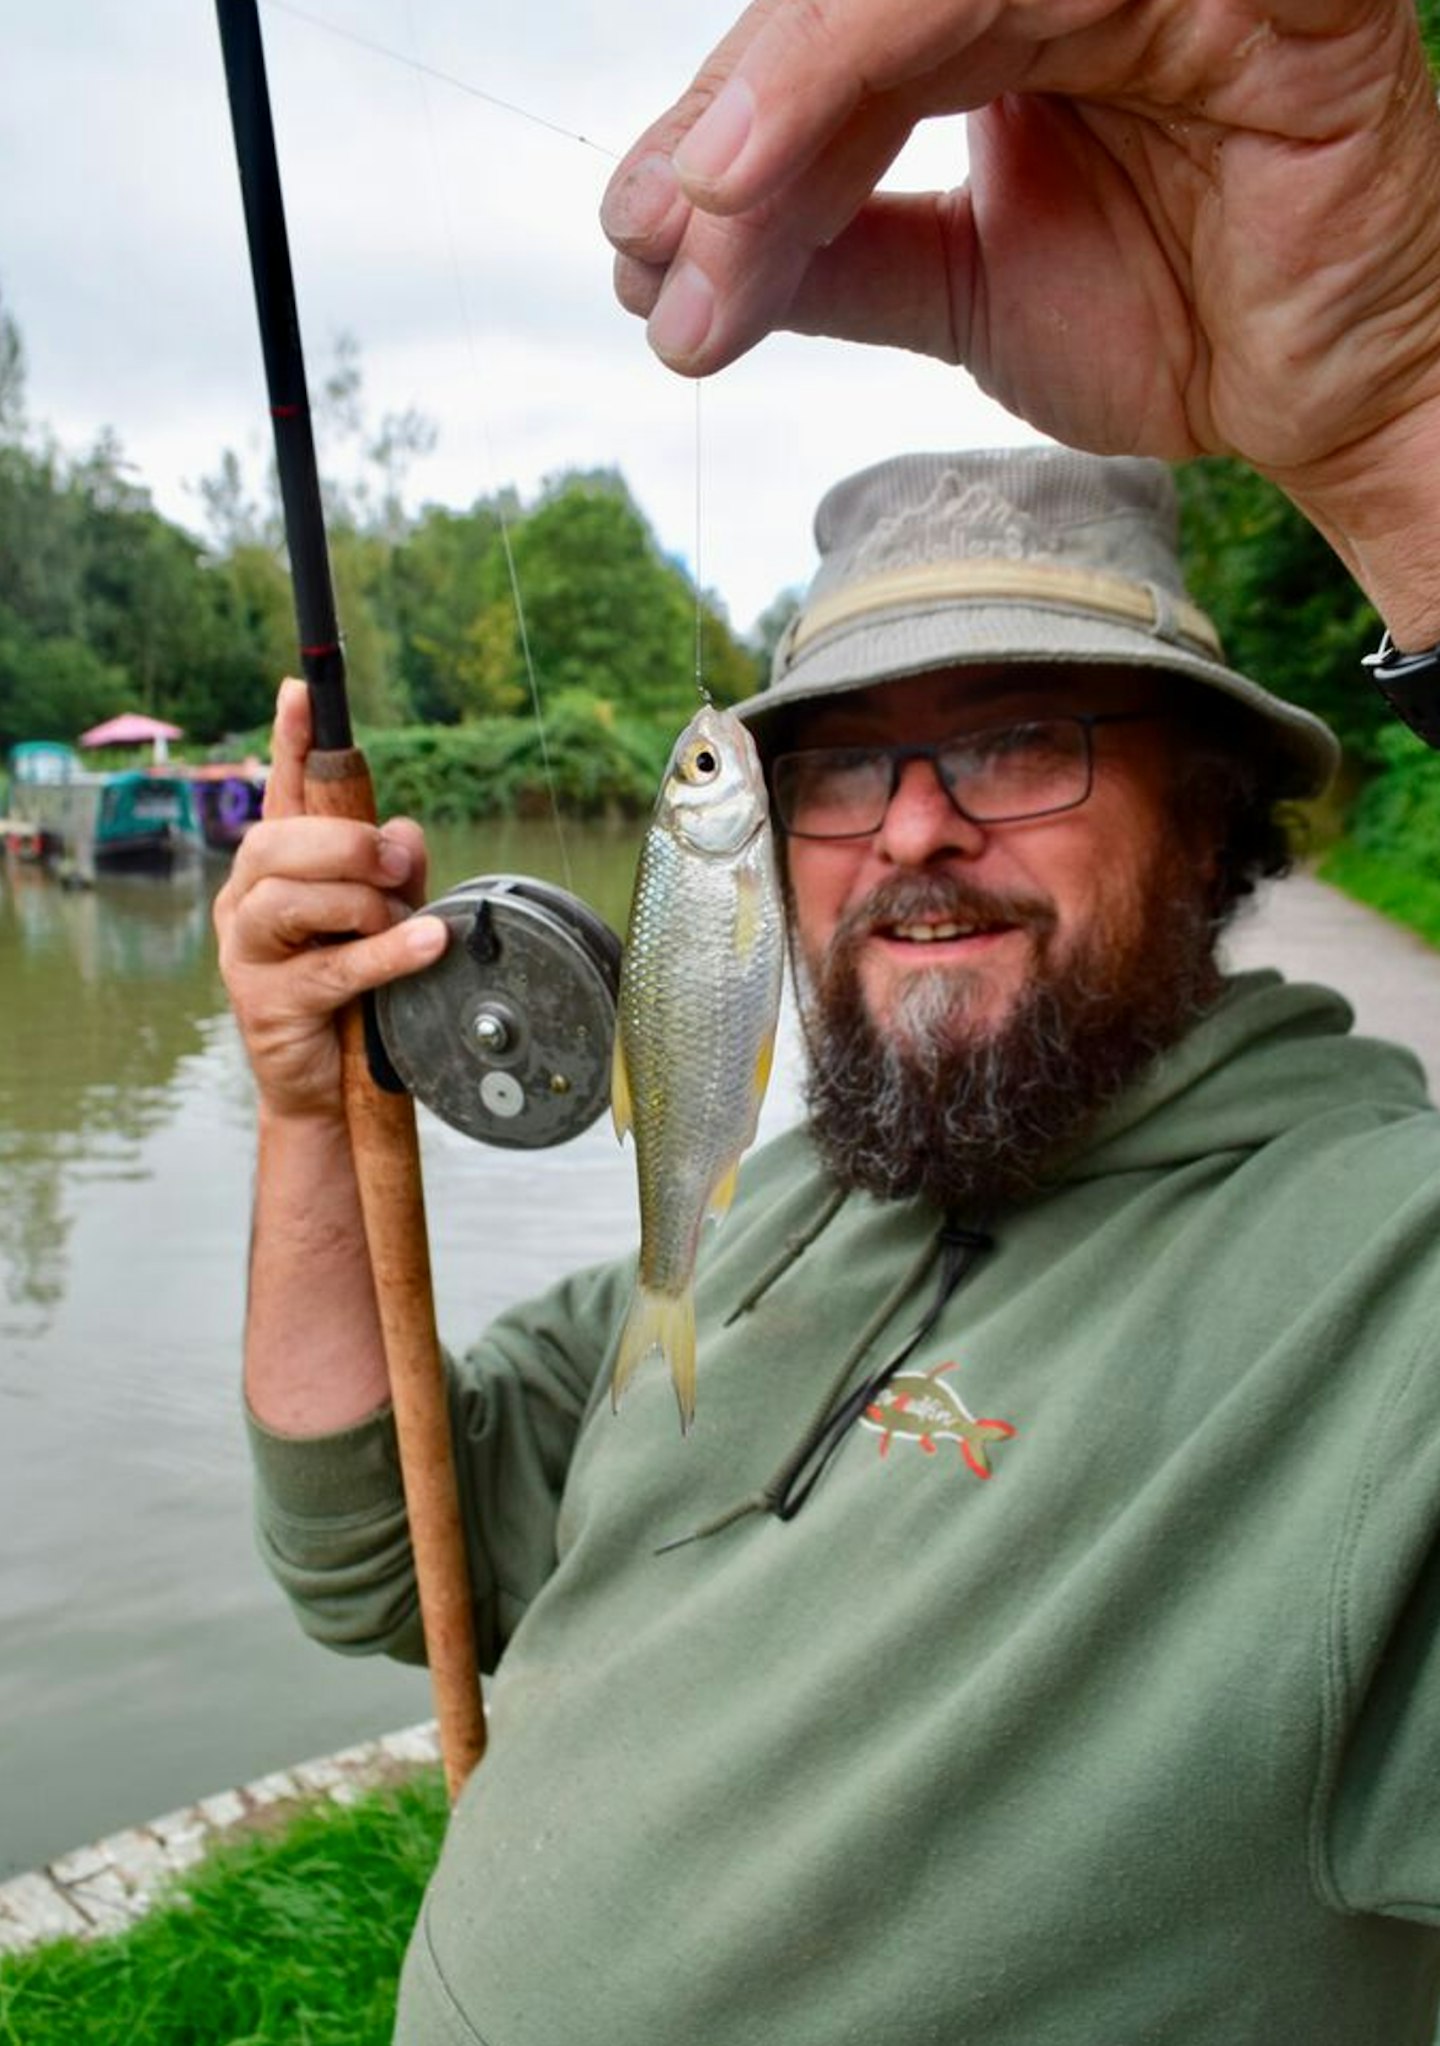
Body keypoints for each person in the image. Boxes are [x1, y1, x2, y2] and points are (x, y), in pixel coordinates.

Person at [215, 2, 1440, 2039]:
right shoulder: (773, 1215)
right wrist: (294, 1108)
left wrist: (1404, 413)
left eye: (1021, 738)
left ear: (1214, 809)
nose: (917, 833)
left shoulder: (1380, 1291)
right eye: (841, 773)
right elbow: (364, 1550)